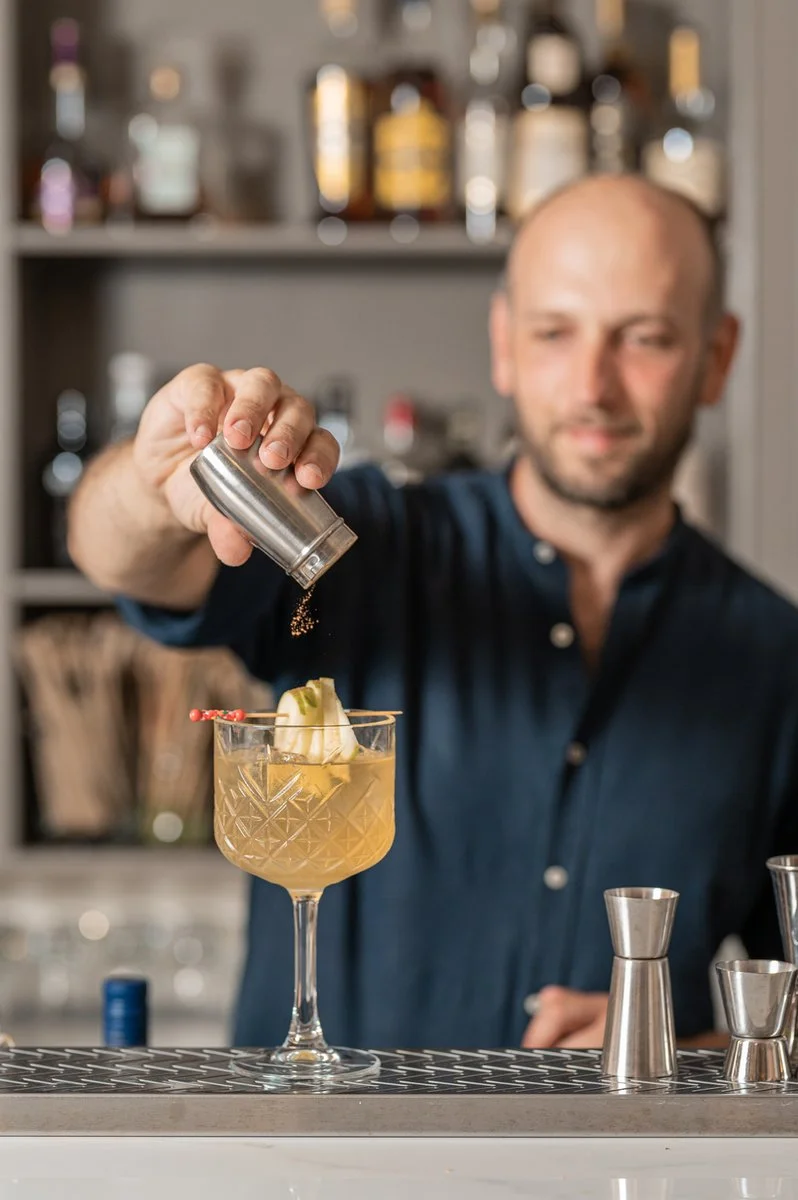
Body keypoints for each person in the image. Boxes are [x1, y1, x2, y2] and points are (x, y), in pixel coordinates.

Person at [68, 175, 798, 1051]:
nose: (594, 386)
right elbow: (126, 562)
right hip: (314, 1143)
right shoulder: (361, 543)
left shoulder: (775, 653)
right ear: (504, 345)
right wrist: (152, 489)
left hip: (622, 1146)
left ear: (717, 356)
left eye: (644, 337)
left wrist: (694, 1051)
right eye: (555, 333)